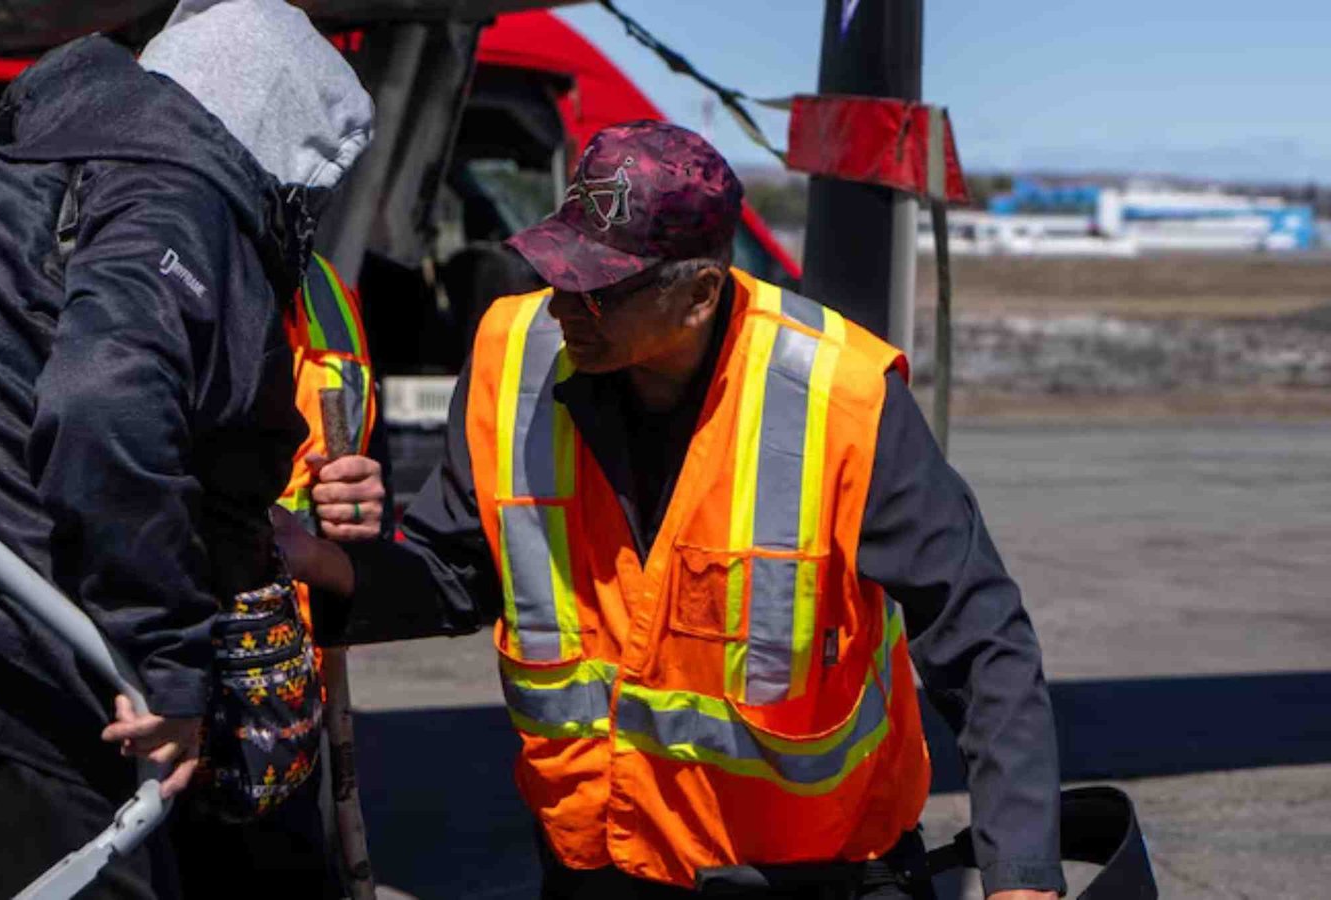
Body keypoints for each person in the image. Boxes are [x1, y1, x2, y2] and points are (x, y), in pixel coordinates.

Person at [280, 121, 1067, 900]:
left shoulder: (842, 396)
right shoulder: (511, 355)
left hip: (815, 875)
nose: (566, 308)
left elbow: (982, 639)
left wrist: (1021, 876)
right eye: (558, 275)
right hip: (600, 869)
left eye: (602, 290)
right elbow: (457, 571)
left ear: (697, 294)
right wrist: (331, 566)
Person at [0, 0, 372, 894]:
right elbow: (105, 403)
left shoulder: (31, 172)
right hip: (2, 662)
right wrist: (170, 664)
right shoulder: (175, 192)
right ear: (275, 142)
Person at [172, 247, 390, 899]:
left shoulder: (325, 291)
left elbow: (356, 520)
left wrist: (351, 520)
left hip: (286, 706)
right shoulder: (167, 261)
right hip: (170, 697)